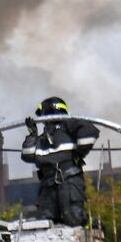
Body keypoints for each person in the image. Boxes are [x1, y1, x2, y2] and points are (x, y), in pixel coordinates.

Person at [21, 97, 99, 227]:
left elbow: (89, 134)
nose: (43, 122)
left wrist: (78, 152)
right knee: (45, 222)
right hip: (48, 184)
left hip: (69, 181)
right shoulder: (41, 140)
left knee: (73, 217)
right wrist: (32, 135)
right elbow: (27, 155)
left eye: (43, 117)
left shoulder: (69, 127)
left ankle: (90, 229)